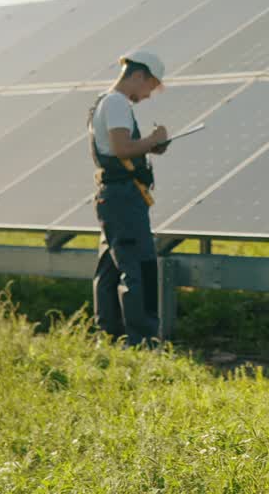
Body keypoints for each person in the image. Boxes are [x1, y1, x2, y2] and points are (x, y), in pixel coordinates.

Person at [89, 49, 170, 347]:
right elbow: (122, 148)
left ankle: (109, 336)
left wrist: (149, 146)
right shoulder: (117, 103)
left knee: (111, 268)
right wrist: (153, 140)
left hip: (113, 197)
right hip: (124, 199)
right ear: (139, 76)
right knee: (139, 265)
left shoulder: (104, 101)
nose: (148, 95)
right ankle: (142, 340)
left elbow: (118, 150)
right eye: (150, 87)